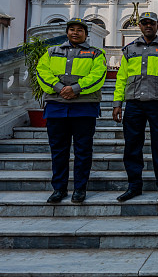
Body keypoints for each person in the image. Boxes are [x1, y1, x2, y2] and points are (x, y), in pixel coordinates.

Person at [36, 18, 107, 204]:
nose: (75, 33)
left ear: (86, 34)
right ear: (67, 32)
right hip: (56, 107)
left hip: (84, 107)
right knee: (58, 150)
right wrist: (60, 88)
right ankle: (59, 189)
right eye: (72, 29)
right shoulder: (51, 52)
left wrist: (75, 89)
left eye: (80, 30)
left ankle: (79, 189)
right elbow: (42, 72)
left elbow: (98, 75)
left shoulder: (96, 54)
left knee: (83, 151)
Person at [112, 12, 158, 202]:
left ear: (157, 26)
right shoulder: (129, 50)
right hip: (134, 104)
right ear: (140, 26)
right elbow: (121, 78)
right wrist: (117, 103)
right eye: (144, 23)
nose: (148, 26)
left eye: (151, 23)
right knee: (132, 146)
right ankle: (134, 186)